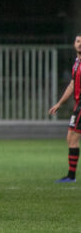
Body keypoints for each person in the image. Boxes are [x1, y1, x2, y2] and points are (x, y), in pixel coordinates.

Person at [48, 34, 81, 183]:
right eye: (78, 41)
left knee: (73, 137)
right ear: (74, 44)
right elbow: (72, 84)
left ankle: (71, 177)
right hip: (78, 104)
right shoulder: (76, 63)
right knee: (71, 138)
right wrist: (59, 103)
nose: (80, 44)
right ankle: (71, 176)